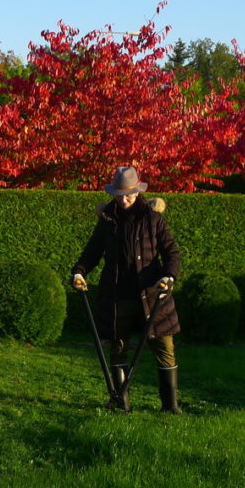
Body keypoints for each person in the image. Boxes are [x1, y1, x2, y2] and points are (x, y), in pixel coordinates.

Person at [71, 166, 182, 414]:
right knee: (118, 348)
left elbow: (172, 254)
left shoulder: (154, 219)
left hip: (153, 295)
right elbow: (91, 253)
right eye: (119, 195)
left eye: (128, 195)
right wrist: (79, 271)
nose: (124, 200)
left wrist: (168, 277)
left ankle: (170, 407)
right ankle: (121, 404)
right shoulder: (107, 221)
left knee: (164, 349)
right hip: (117, 295)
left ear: (137, 191)